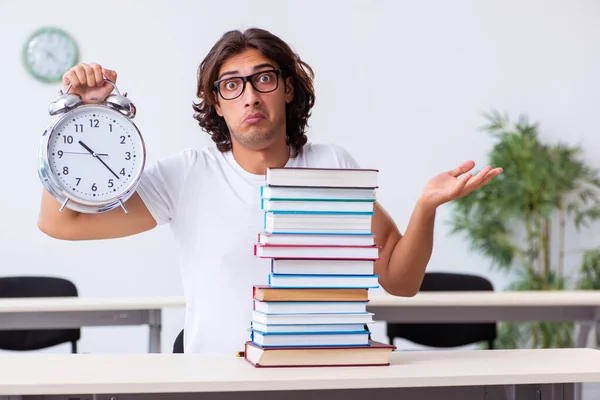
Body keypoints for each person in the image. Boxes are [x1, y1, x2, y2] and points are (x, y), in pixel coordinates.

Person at [37, 28, 502, 354]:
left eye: (263, 79)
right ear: (217, 104)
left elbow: (402, 282)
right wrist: (74, 116)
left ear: (286, 90)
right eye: (232, 86)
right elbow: (61, 221)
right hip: (216, 386)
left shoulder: (331, 165)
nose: (250, 97)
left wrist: (425, 208)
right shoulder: (186, 176)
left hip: (322, 382)